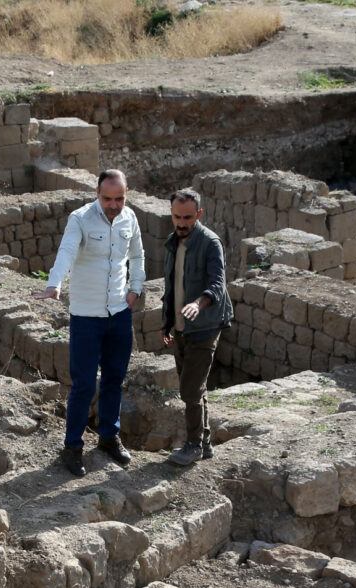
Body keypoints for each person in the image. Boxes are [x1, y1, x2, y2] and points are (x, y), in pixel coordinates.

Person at [38, 169, 146, 477]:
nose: (114, 205)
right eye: (107, 198)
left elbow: (137, 256)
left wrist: (135, 287)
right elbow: (67, 252)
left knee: (114, 379)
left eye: (120, 198)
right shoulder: (81, 218)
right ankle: (72, 447)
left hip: (119, 313)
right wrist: (54, 283)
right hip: (86, 316)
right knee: (84, 384)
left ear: (127, 194)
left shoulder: (130, 218)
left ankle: (109, 437)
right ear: (97, 194)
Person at [161, 188, 232, 466]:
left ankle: (193, 446)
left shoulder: (210, 243)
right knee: (195, 387)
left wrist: (198, 305)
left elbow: (217, 284)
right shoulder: (172, 241)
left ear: (198, 214)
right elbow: (171, 286)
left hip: (204, 325)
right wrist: (167, 323)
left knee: (190, 389)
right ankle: (205, 442)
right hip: (181, 328)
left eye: (188, 217)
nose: (181, 223)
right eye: (177, 217)